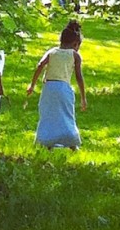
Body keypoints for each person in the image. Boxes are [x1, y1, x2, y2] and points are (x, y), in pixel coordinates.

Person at [26, 20, 87, 150]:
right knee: (66, 114)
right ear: (76, 44)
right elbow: (79, 77)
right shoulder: (75, 55)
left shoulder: (52, 52)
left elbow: (40, 65)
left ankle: (46, 141)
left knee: (48, 114)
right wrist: (83, 97)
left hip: (48, 88)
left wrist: (32, 85)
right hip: (64, 88)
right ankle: (71, 142)